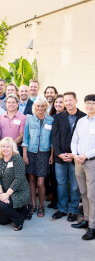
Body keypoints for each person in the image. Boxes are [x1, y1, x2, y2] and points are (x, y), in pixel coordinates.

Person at [51, 92, 86, 221]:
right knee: (61, 183)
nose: (68, 103)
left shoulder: (84, 117)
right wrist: (59, 153)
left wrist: (74, 154)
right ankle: (62, 208)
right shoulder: (58, 117)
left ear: (76, 101)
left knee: (75, 185)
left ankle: (73, 210)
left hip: (76, 158)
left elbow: (84, 138)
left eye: (70, 100)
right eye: (66, 101)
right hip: (60, 157)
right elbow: (55, 137)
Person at [22, 97, 54, 217]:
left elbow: (52, 141)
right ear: (34, 107)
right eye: (37, 106)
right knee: (31, 180)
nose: (40, 108)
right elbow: (25, 139)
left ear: (46, 106)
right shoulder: (29, 120)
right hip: (31, 152)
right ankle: (33, 205)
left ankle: (41, 206)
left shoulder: (51, 120)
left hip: (44, 154)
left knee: (40, 183)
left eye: (42, 106)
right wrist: (25, 155)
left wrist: (51, 155)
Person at [71, 94, 95, 240]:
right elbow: (74, 140)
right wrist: (75, 154)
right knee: (83, 193)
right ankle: (86, 219)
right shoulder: (81, 121)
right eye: (87, 103)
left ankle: (92, 227)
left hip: (91, 162)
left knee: (92, 195)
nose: (89, 106)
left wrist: (85, 155)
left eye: (92, 103)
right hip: (78, 162)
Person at [0, 137, 30, 231]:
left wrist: (7, 194)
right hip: (5, 192)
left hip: (20, 191)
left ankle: (19, 219)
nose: (5, 149)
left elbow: (19, 178)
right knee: (2, 221)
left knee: (1, 205)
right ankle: (21, 209)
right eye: (3, 146)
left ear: (12, 148)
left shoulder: (17, 158)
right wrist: (1, 194)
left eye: (8, 147)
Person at [47, 94, 64, 209]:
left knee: (59, 178)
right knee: (52, 178)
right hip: (48, 150)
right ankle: (54, 199)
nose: (57, 104)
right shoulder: (50, 117)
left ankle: (58, 200)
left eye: (60, 102)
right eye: (56, 102)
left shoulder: (66, 117)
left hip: (59, 151)